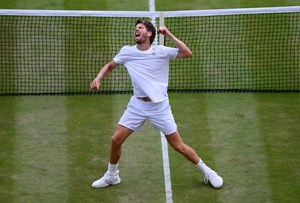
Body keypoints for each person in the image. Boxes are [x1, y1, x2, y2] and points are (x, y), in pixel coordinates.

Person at [90, 19, 223, 189]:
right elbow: (110, 65)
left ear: (149, 33)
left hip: (160, 107)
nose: (136, 30)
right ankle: (111, 175)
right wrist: (98, 78)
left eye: (140, 28)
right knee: (116, 139)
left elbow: (186, 53)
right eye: (135, 28)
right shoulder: (127, 52)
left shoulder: (161, 51)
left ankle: (208, 172)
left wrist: (168, 34)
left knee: (178, 146)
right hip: (137, 105)